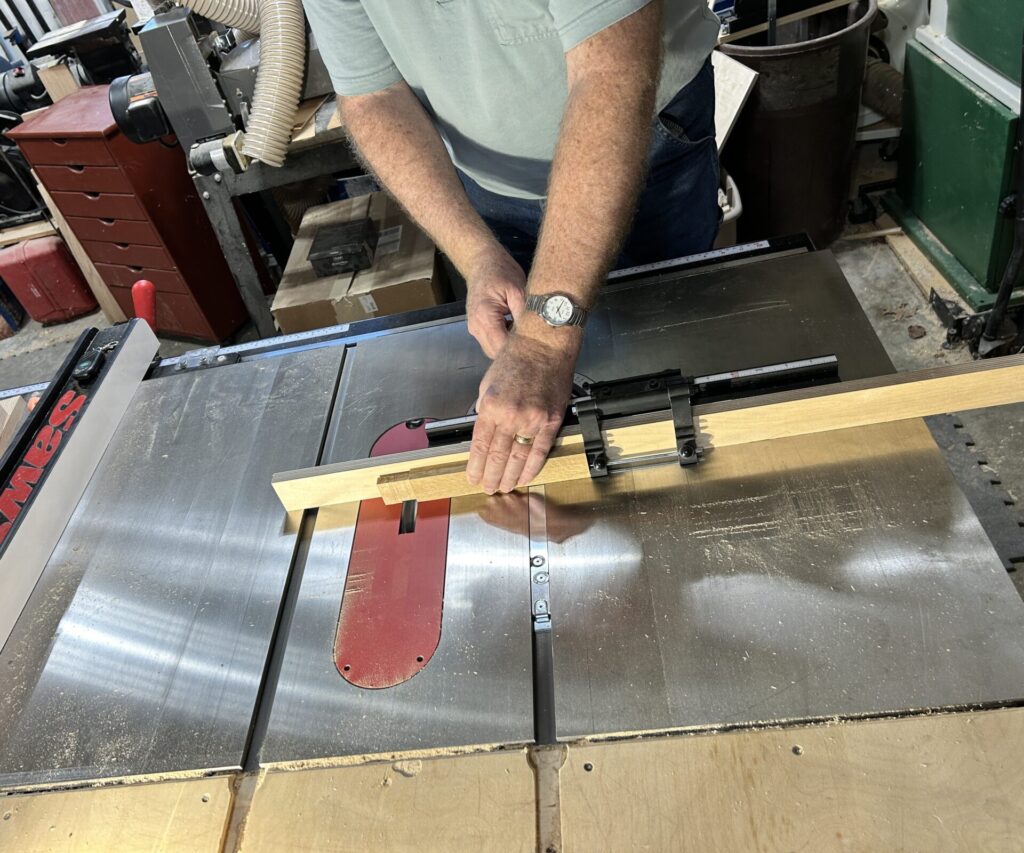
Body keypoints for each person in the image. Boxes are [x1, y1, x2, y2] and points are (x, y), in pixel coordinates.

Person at [302, 0, 721, 494]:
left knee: (683, 354)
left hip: (646, 136)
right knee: (539, 389)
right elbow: (372, 97)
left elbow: (613, 72)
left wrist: (544, 341)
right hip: (488, 186)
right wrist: (476, 254)